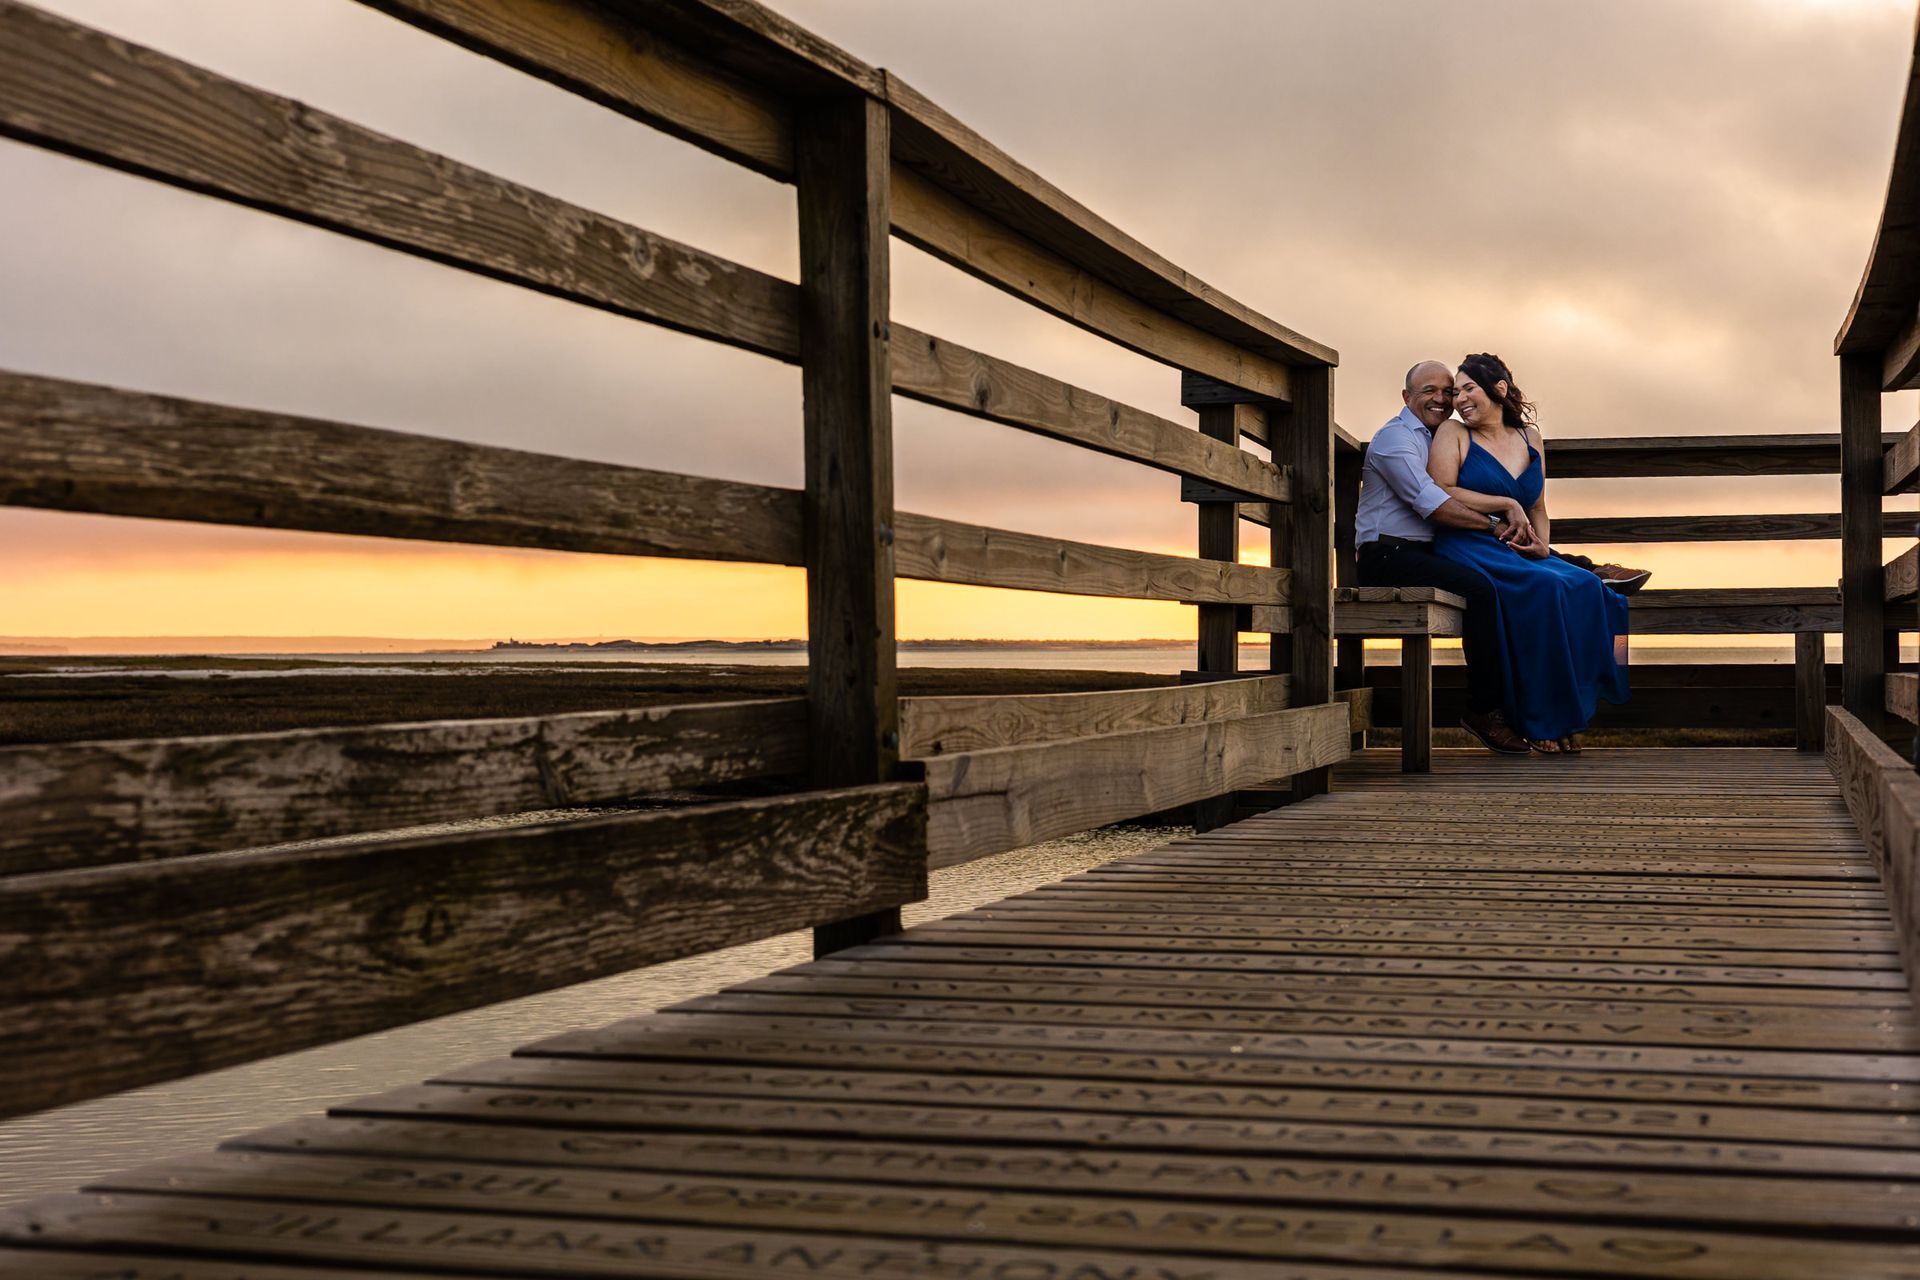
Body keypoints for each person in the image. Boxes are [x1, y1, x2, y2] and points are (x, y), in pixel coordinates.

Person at [1426, 353, 1630, 754]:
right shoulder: (1454, 433)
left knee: (1588, 587)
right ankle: (1538, 718)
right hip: (1470, 543)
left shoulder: (1529, 437)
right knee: (1545, 590)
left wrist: (1541, 545)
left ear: (1498, 389)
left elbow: (1538, 506)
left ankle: (1568, 713)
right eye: (1457, 392)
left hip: (1520, 546)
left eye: (1469, 389)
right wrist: (1504, 502)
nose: (1459, 400)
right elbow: (1441, 488)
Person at [1354, 361, 1532, 754]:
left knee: (1505, 569)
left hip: (1426, 551)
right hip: (1387, 555)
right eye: (1428, 391)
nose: (1441, 399)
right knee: (1482, 590)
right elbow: (1432, 505)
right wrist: (1494, 525)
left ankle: (1580, 566)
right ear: (1406, 397)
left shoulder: (1443, 438)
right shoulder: (1395, 440)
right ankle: (1483, 710)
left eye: (1447, 391)